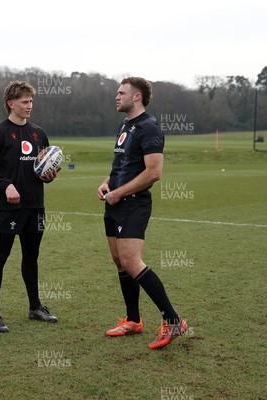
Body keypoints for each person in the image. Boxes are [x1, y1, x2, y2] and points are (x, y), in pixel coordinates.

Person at [97, 77, 187, 349]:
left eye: (121, 92)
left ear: (137, 97)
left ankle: (173, 321)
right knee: (119, 262)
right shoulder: (126, 125)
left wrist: (120, 192)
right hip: (115, 202)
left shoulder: (149, 127)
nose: (116, 96)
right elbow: (124, 165)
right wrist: (107, 183)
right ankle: (133, 320)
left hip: (133, 204)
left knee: (132, 262)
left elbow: (153, 173)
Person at [0, 80, 58, 333]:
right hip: (8, 209)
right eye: (25, 102)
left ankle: (35, 307)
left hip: (35, 206)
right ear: (11, 104)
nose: (29, 106)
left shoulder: (38, 133)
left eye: (31, 101)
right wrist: (5, 186)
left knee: (31, 257)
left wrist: (50, 175)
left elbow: (44, 166)